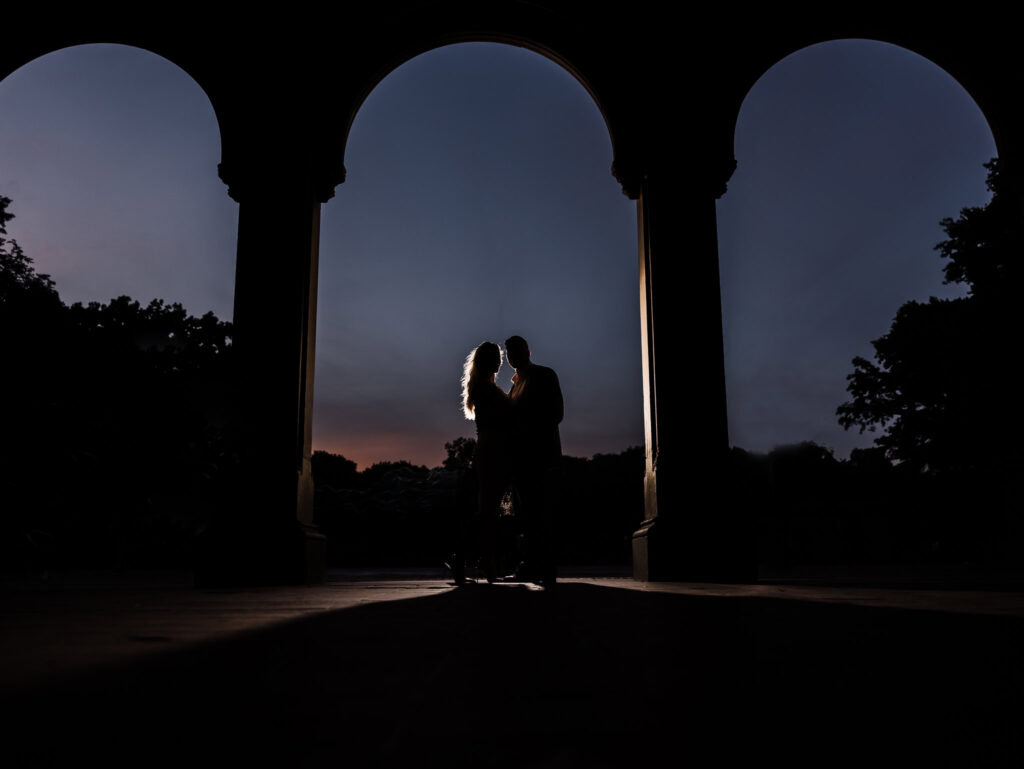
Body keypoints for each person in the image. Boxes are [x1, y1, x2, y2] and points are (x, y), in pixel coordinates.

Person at [504, 335, 563, 587]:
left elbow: (556, 413)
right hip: (521, 460)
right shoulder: (514, 384)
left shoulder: (544, 375)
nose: (512, 356)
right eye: (509, 352)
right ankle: (531, 563)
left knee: (541, 512)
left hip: (540, 456)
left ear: (527, 351)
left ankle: (545, 567)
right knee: (526, 515)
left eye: (515, 350)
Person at [460, 341, 512, 582]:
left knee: (489, 510)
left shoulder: (483, 387)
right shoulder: (486, 389)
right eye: (496, 358)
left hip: (490, 450)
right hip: (492, 451)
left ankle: (481, 561)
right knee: (488, 511)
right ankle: (471, 558)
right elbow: (504, 418)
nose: (500, 362)